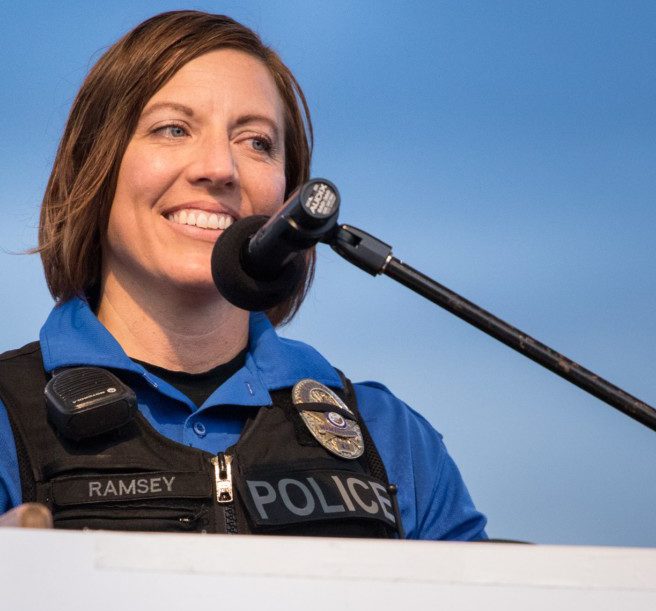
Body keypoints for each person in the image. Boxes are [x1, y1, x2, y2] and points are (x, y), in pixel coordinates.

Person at [0, 10, 487, 539]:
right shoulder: (7, 416)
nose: (220, 168)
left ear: (288, 201)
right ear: (95, 164)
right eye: (173, 129)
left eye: (256, 141)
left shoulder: (391, 441)